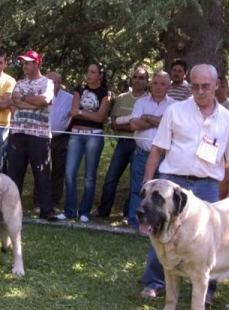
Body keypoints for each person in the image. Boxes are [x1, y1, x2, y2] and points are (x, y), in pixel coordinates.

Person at [140, 64, 229, 306]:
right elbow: (156, 150)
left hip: (207, 187)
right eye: (195, 86)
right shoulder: (175, 112)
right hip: (173, 185)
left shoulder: (228, 120)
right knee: (159, 231)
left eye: (206, 86)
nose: (201, 91)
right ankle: (154, 283)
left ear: (217, 85)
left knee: (211, 241)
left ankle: (208, 292)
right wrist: (147, 183)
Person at [55, 62, 111, 222]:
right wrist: (84, 113)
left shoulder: (105, 93)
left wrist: (81, 112)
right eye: (88, 71)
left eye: (93, 72)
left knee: (89, 176)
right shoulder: (79, 89)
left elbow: (100, 118)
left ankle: (84, 211)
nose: (89, 74)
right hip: (76, 134)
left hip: (95, 135)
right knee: (69, 173)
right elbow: (73, 112)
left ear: (100, 75)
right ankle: (69, 210)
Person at [92, 66, 148, 218]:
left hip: (139, 144)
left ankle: (128, 212)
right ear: (131, 79)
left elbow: (143, 126)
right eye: (135, 77)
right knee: (111, 178)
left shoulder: (148, 100)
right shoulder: (122, 98)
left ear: (146, 81)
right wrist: (135, 125)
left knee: (134, 181)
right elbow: (114, 123)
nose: (138, 80)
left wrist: (132, 125)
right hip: (122, 143)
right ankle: (103, 210)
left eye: (141, 78)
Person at [6, 50, 54, 220]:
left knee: (41, 173)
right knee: (14, 174)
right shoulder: (19, 83)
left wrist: (26, 98)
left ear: (37, 63)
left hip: (39, 135)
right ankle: (11, 210)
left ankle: (46, 211)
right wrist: (34, 105)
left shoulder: (47, 83)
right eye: (23, 63)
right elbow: (14, 102)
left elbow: (45, 100)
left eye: (28, 63)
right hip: (17, 133)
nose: (25, 66)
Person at [126, 70, 176, 228]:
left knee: (161, 193)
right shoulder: (141, 102)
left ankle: (157, 223)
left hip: (164, 156)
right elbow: (133, 124)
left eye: (162, 84)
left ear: (168, 87)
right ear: (151, 84)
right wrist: (159, 121)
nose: (158, 87)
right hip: (142, 154)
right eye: (155, 83)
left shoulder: (174, 105)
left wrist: (146, 117)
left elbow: (171, 127)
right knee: (139, 188)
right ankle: (135, 223)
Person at [33, 72, 72, 211]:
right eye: (52, 82)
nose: (55, 85)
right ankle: (39, 201)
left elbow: (73, 114)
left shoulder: (69, 98)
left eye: (58, 82)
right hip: (41, 136)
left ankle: (55, 201)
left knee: (59, 170)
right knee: (42, 169)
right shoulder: (38, 95)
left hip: (60, 138)